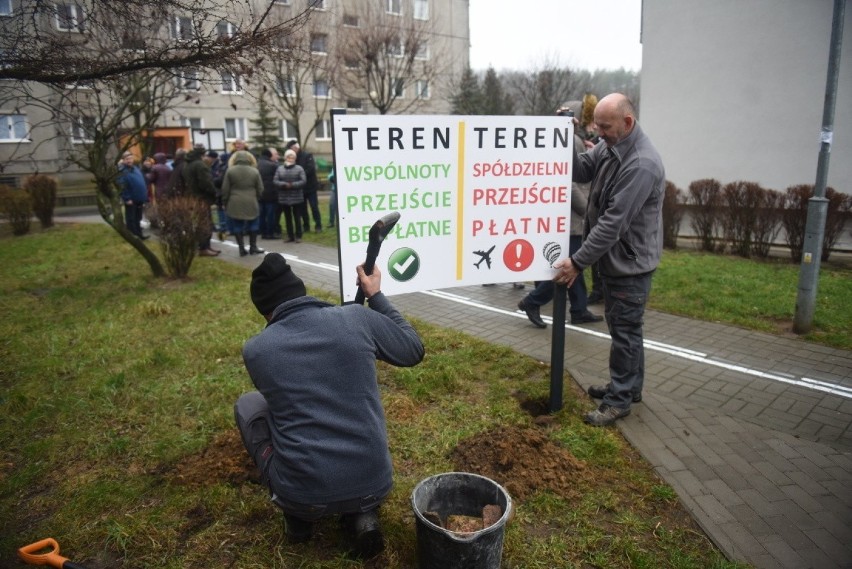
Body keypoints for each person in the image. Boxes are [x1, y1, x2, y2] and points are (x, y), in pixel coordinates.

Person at [235, 253, 424, 559]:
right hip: (374, 482)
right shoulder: (356, 319)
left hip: (302, 495)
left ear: (266, 313)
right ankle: (362, 516)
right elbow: (412, 350)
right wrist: (375, 296)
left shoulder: (256, 350)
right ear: (301, 292)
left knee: (249, 405)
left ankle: (297, 520)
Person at [553, 93, 665, 427]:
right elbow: (581, 169)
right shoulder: (612, 146)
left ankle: (618, 401)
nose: (598, 132)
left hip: (630, 265)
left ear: (627, 122)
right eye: (595, 126)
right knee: (625, 329)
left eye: (604, 126)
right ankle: (629, 388)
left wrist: (577, 262)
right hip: (618, 260)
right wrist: (565, 136)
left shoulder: (641, 164)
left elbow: (612, 224)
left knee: (626, 333)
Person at [518, 124, 603, 329]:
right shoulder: (571, 139)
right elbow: (569, 181)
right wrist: (586, 210)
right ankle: (532, 301)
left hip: (569, 217)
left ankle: (579, 309)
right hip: (572, 219)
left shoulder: (578, 139)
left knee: (576, 266)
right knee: (570, 267)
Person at [222, 150, 265, 257]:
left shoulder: (230, 171)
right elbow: (260, 188)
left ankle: (241, 249)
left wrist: (225, 201)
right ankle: (253, 247)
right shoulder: (254, 171)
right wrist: (257, 197)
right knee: (254, 224)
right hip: (251, 200)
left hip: (235, 201)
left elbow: (225, 189)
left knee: (237, 225)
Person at [182, 144, 220, 257]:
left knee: (200, 222)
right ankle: (204, 248)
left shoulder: (187, 164)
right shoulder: (200, 165)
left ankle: (206, 246)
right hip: (202, 198)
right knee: (204, 223)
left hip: (192, 197)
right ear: (202, 154)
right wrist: (214, 192)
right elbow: (206, 183)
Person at [285, 140, 322, 233]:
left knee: (314, 207)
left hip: (311, 186)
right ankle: (306, 226)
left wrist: (299, 175)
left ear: (296, 147)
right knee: (303, 208)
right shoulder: (292, 158)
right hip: (300, 188)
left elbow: (310, 169)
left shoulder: (307, 156)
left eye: (292, 149)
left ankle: (318, 225)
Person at [274, 149, 306, 243]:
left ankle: (298, 235)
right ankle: (290, 235)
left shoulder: (299, 168)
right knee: (287, 218)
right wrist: (284, 184)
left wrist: (292, 185)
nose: (290, 159)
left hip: (296, 197)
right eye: (289, 157)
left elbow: (303, 181)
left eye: (292, 157)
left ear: (295, 158)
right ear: (285, 158)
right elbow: (275, 181)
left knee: (297, 217)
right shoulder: (280, 168)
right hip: (284, 197)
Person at [117, 151, 149, 240]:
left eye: (130, 158)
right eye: (127, 159)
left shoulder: (135, 169)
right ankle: (133, 236)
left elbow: (142, 182)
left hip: (139, 198)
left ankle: (139, 234)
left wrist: (144, 197)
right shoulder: (122, 171)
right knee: (131, 219)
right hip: (131, 200)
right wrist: (127, 198)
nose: (129, 161)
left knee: (138, 218)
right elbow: (122, 186)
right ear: (123, 160)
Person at [257, 148, 281, 239]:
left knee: (261, 215)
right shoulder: (273, 166)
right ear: (269, 155)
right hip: (271, 194)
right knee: (270, 215)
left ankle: (263, 233)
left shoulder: (256, 164)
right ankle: (270, 233)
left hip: (260, 194)